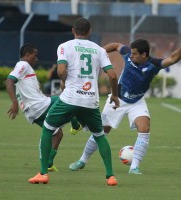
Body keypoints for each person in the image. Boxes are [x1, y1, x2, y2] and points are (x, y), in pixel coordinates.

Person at [69, 38, 181, 174]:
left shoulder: (153, 64)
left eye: (134, 54)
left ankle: (134, 167)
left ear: (144, 55)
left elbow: (172, 59)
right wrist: (98, 52)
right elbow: (115, 45)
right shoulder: (128, 55)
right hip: (117, 100)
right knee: (101, 131)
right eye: (131, 53)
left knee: (144, 128)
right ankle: (82, 160)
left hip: (137, 102)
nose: (131, 55)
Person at [28, 17, 120, 186]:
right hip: (90, 101)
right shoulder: (99, 50)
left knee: (48, 128)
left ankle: (43, 173)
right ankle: (110, 176)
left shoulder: (64, 47)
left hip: (69, 98)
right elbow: (113, 75)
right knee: (99, 135)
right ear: (90, 31)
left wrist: (65, 79)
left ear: (73, 31)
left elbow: (61, 71)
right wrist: (114, 95)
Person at [6, 44, 81, 172]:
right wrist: (14, 103)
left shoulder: (26, 69)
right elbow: (9, 80)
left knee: (57, 134)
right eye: (35, 56)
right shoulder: (23, 65)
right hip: (38, 106)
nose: (37, 58)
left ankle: (49, 164)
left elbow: (32, 93)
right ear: (28, 55)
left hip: (32, 111)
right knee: (68, 100)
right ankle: (75, 125)